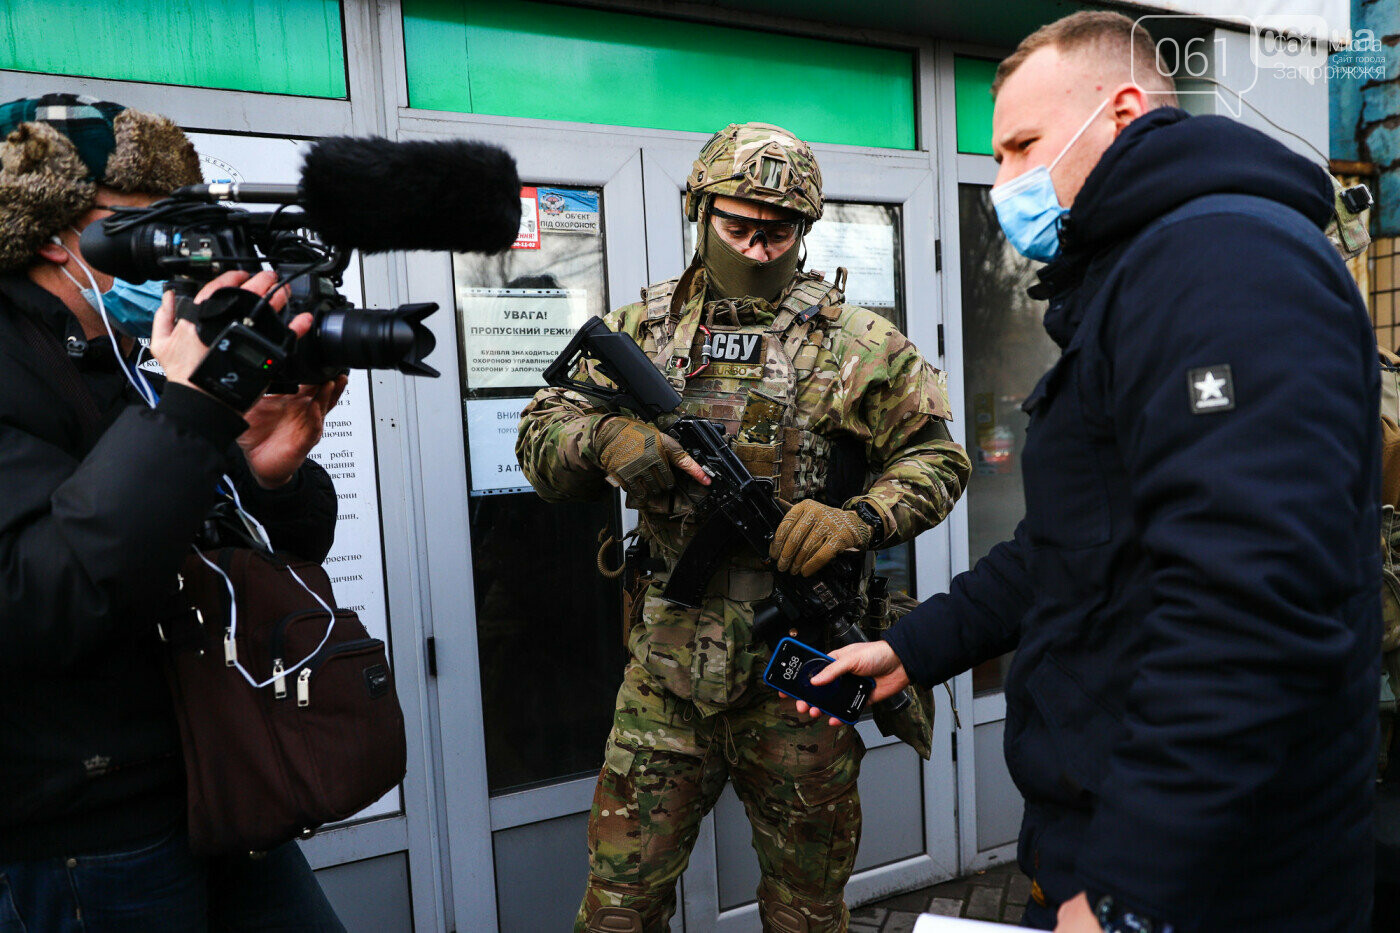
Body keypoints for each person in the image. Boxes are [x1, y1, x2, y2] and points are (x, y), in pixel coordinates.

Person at [804, 12, 1379, 932]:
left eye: (1022, 145)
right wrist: (913, 649)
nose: (1003, 183)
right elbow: (1068, 548)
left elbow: (1251, 602)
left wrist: (1128, 893)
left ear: (1119, 112)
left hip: (1217, 884)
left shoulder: (1226, 264)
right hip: (1127, 853)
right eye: (996, 156)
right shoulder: (1138, 273)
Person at [518, 121, 970, 932]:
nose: (760, 249)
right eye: (739, 227)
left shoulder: (861, 344)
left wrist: (858, 517)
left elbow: (939, 460)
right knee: (619, 908)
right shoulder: (644, 331)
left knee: (807, 911)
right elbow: (542, 439)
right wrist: (606, 439)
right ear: (699, 211)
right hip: (667, 673)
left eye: (781, 231)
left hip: (798, 675)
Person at [0, 93, 346, 930]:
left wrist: (270, 473)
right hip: (84, 831)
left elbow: (274, 547)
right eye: (152, 227)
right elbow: (41, 598)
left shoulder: (132, 355)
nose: (186, 254)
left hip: (217, 777)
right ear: (56, 232)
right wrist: (189, 410)